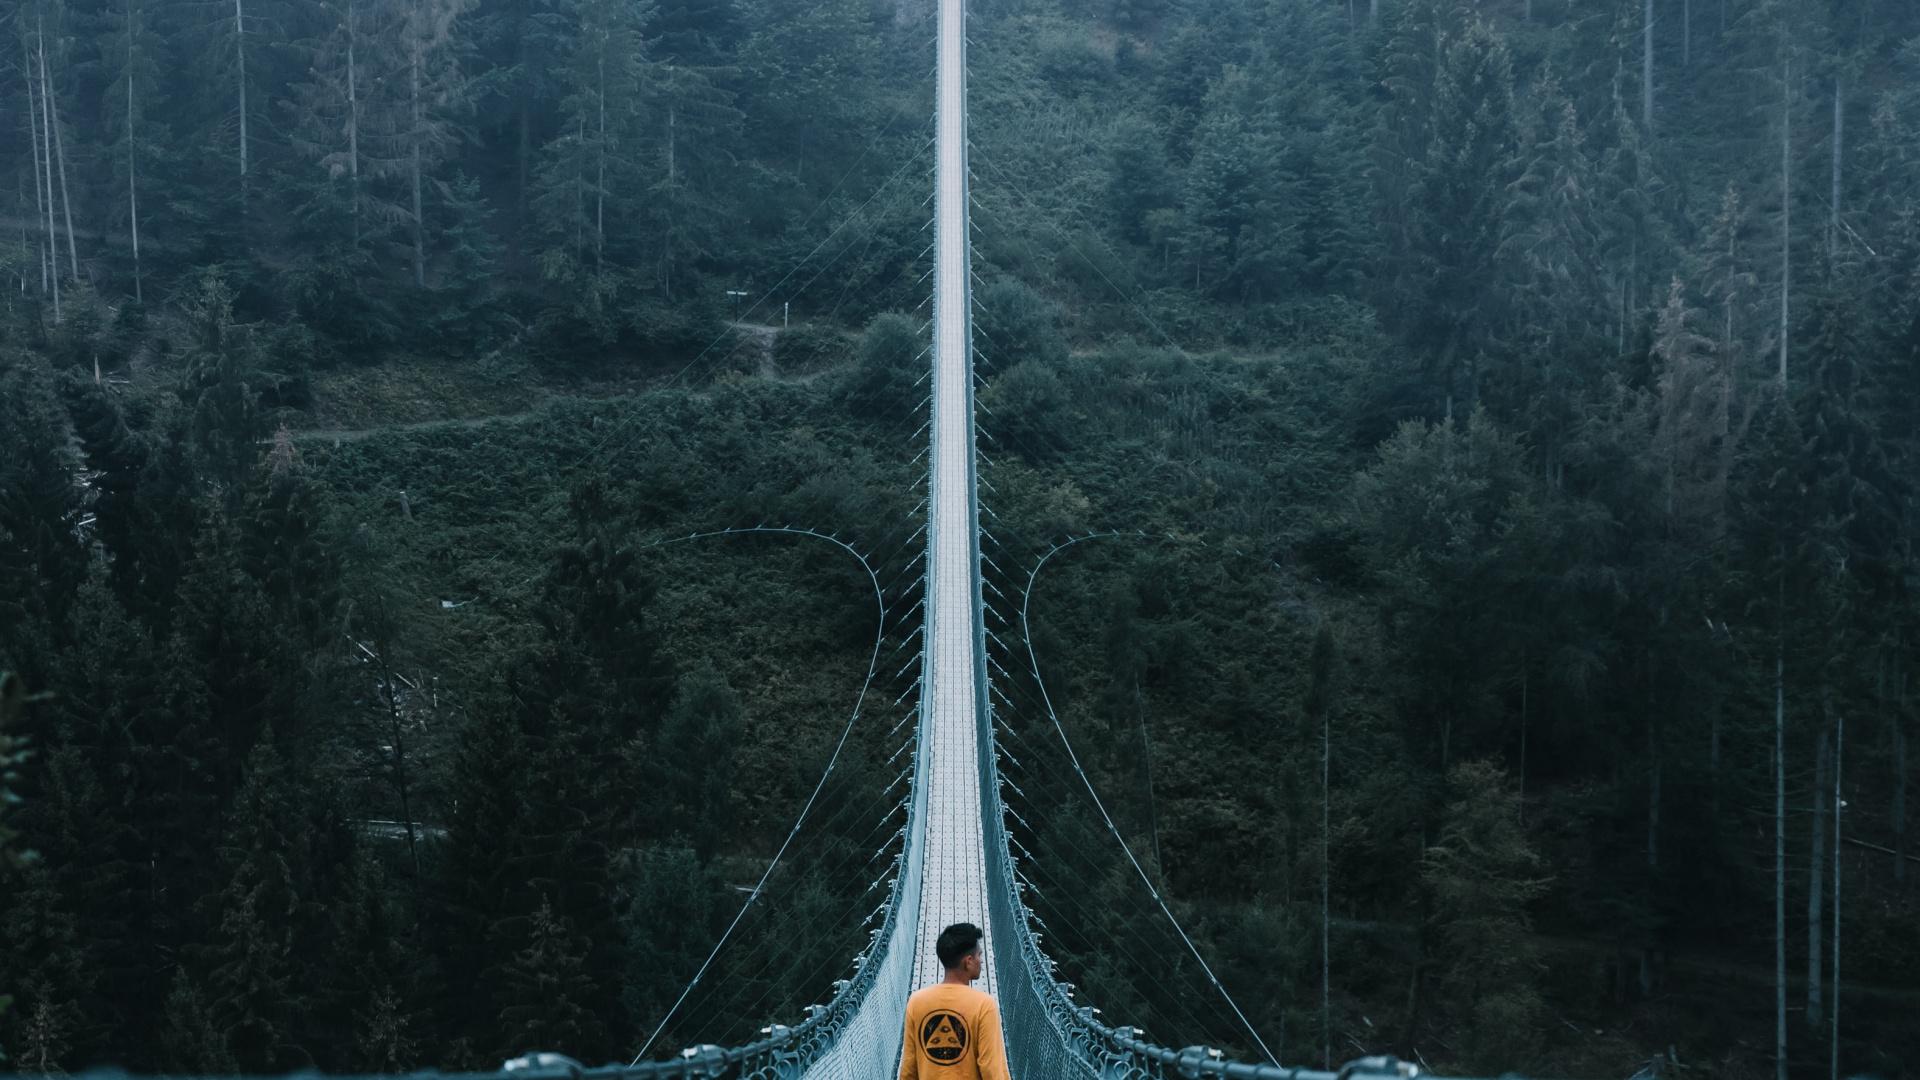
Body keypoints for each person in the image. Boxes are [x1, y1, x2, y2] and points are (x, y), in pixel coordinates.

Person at [899, 922, 1011, 1080]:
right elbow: (992, 1069)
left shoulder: (917, 1002)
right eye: (979, 955)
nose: (981, 961)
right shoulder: (984, 1005)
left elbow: (909, 1069)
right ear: (968, 961)